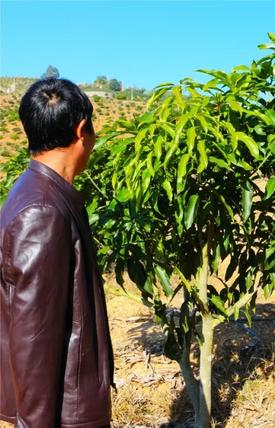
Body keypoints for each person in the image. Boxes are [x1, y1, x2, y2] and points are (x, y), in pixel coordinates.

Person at [0, 78, 113, 427]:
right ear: (82, 130)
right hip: (66, 414)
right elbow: (33, 341)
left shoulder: (35, 190)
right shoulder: (44, 210)